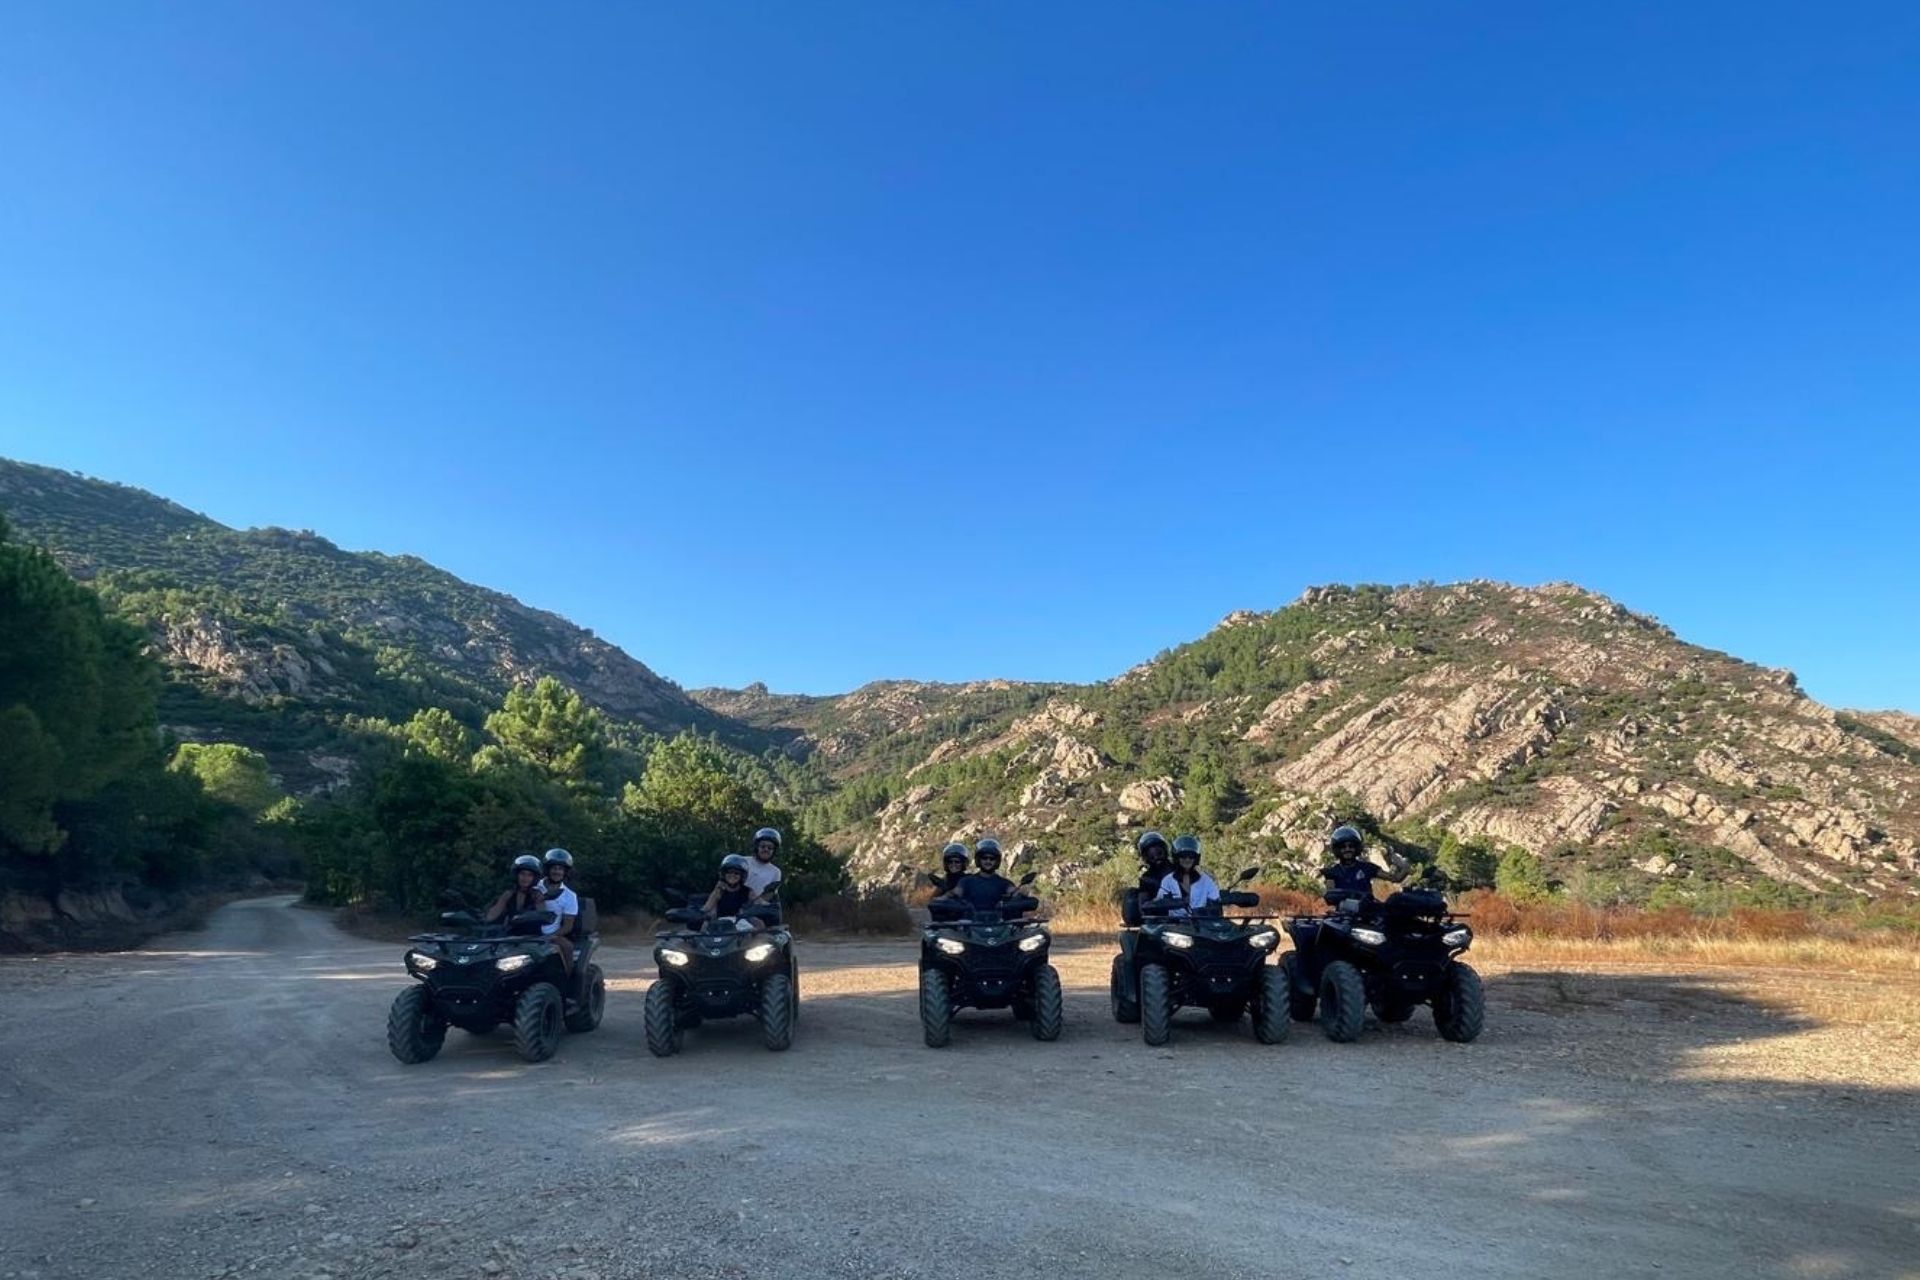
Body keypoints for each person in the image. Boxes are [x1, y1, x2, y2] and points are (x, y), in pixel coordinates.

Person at [1318, 825, 1410, 905]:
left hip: (1368, 911)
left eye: (1351, 846)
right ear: (1337, 849)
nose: (1347, 849)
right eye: (1343, 847)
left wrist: (1404, 867)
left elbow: (1395, 878)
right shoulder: (1332, 872)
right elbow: (1330, 896)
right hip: (1344, 914)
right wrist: (1343, 895)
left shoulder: (1368, 867)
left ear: (1357, 847)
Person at [943, 838, 1019, 913]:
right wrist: (941, 899)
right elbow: (954, 894)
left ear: (997, 861)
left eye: (992, 858)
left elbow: (1015, 892)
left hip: (997, 920)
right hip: (970, 920)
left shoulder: (1004, 883)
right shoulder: (966, 881)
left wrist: (1020, 893)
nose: (988, 861)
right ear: (978, 860)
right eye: (984, 858)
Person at [1156, 835, 1220, 916]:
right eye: (1183, 856)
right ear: (1176, 858)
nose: (1187, 859)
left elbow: (1216, 899)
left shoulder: (1206, 880)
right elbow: (1160, 901)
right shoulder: (1168, 880)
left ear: (1196, 858)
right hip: (1175, 922)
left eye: (1191, 856)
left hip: (1201, 921)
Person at [540, 848, 580, 972]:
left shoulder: (570, 896)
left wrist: (551, 936)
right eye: (554, 868)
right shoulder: (535, 886)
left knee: (567, 947)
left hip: (552, 935)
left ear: (565, 872)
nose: (557, 872)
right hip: (527, 933)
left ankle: (570, 978)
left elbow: (568, 925)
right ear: (547, 869)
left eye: (560, 869)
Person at [485, 855, 547, 925]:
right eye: (522, 873)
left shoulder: (537, 895)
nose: (525, 878)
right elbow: (491, 916)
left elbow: (542, 917)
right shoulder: (508, 894)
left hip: (532, 931)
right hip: (510, 931)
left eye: (530, 875)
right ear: (516, 875)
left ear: (534, 878)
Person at [702, 854, 760, 928]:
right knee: (705, 925)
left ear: (742, 875)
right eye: (729, 872)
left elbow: (760, 903)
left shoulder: (748, 891)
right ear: (724, 874)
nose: (732, 875)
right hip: (721, 925)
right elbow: (706, 908)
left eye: (736, 873)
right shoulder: (718, 890)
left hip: (742, 924)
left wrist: (769, 907)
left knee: (759, 923)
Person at [746, 827, 783, 901]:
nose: (766, 849)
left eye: (770, 847)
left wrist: (757, 903)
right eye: (763, 846)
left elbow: (770, 894)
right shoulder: (744, 861)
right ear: (757, 847)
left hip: (757, 907)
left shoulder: (776, 872)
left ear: (774, 851)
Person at [1134, 831, 1173, 897]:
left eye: (1159, 853)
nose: (1156, 857)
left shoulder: (1179, 869)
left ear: (1165, 850)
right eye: (1151, 856)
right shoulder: (1146, 879)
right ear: (1146, 857)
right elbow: (1143, 901)